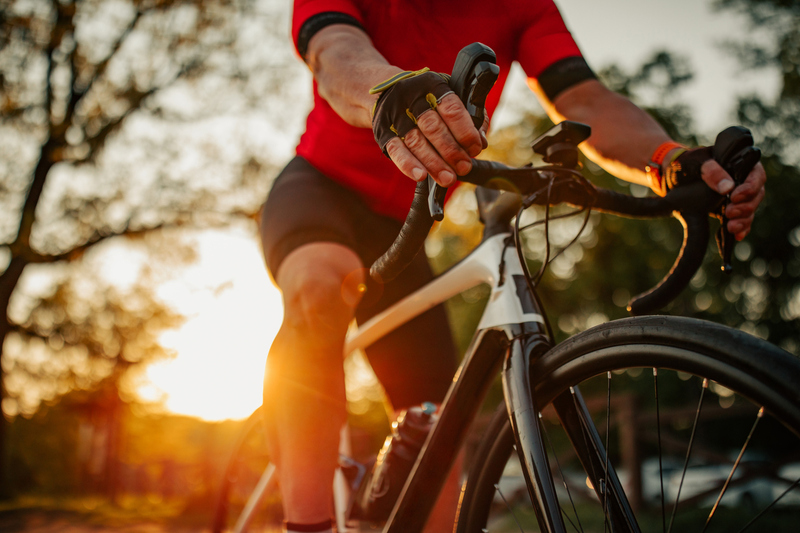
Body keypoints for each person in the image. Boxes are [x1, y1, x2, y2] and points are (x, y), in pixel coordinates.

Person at [259, 2, 767, 533]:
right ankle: (307, 522)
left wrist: (669, 159)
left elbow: (586, 99)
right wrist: (391, 87)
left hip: (405, 228)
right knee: (319, 286)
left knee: (437, 419)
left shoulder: (524, 5)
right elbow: (336, 53)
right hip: (318, 192)